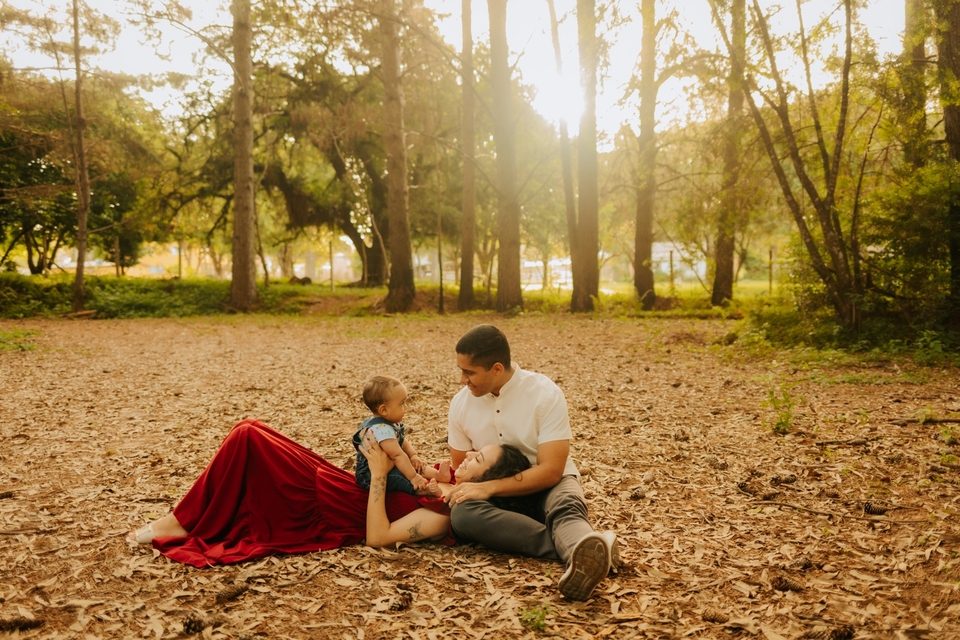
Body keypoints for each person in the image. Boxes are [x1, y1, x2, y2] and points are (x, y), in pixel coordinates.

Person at [126, 418, 530, 567]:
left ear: (484, 482)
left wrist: (376, 473)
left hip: (333, 509)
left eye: (478, 459)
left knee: (247, 438)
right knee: (249, 427)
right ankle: (189, 516)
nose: (468, 455)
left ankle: (181, 521)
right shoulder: (444, 480)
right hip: (336, 483)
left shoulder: (443, 514)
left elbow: (378, 538)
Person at [444, 324, 619, 601]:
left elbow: (551, 471)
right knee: (463, 514)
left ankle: (579, 551)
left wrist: (489, 488)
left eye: (469, 372)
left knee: (565, 505)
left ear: (497, 369)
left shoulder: (544, 394)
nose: (463, 379)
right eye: (461, 370)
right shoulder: (460, 404)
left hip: (547, 482)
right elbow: (462, 471)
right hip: (496, 502)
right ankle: (584, 550)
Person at [352, 375, 452, 497]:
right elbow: (397, 455)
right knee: (399, 476)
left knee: (411, 463)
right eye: (402, 403)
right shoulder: (380, 430)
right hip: (370, 474)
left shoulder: (389, 424)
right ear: (384, 410)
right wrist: (414, 477)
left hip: (390, 463)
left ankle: (438, 475)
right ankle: (423, 490)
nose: (406, 407)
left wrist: (413, 455)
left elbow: (402, 441)